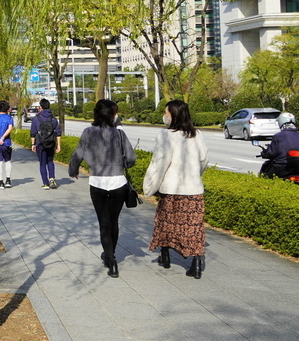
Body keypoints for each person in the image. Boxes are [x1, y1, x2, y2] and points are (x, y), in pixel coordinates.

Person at [68, 99, 136, 278]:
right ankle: (111, 256)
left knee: (103, 222)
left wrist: (73, 170)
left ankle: (110, 258)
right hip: (118, 183)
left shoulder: (88, 132)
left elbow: (78, 154)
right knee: (113, 221)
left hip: (97, 182)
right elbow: (131, 159)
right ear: (113, 115)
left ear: (96, 113)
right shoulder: (119, 134)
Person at [142, 100, 209, 280]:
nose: (165, 116)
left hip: (171, 189)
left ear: (174, 115)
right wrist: (195, 174)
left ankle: (165, 255)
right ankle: (195, 264)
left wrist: (149, 186)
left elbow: (159, 163)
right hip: (193, 189)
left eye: (167, 113)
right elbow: (204, 160)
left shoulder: (165, 135)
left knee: (166, 223)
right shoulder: (197, 134)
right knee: (193, 228)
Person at [259, 112, 299, 179]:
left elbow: (272, 153)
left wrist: (265, 153)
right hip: (297, 166)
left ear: (281, 122)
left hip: (281, 165)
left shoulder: (278, 136)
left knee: (265, 178)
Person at [29, 98, 60, 190]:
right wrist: (58, 145)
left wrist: (33, 144)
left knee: (42, 164)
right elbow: (58, 133)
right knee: (50, 161)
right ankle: (52, 179)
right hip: (51, 143)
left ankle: (45, 183)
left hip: (40, 144)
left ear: (40, 107)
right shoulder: (54, 119)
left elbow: (33, 133)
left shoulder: (36, 118)